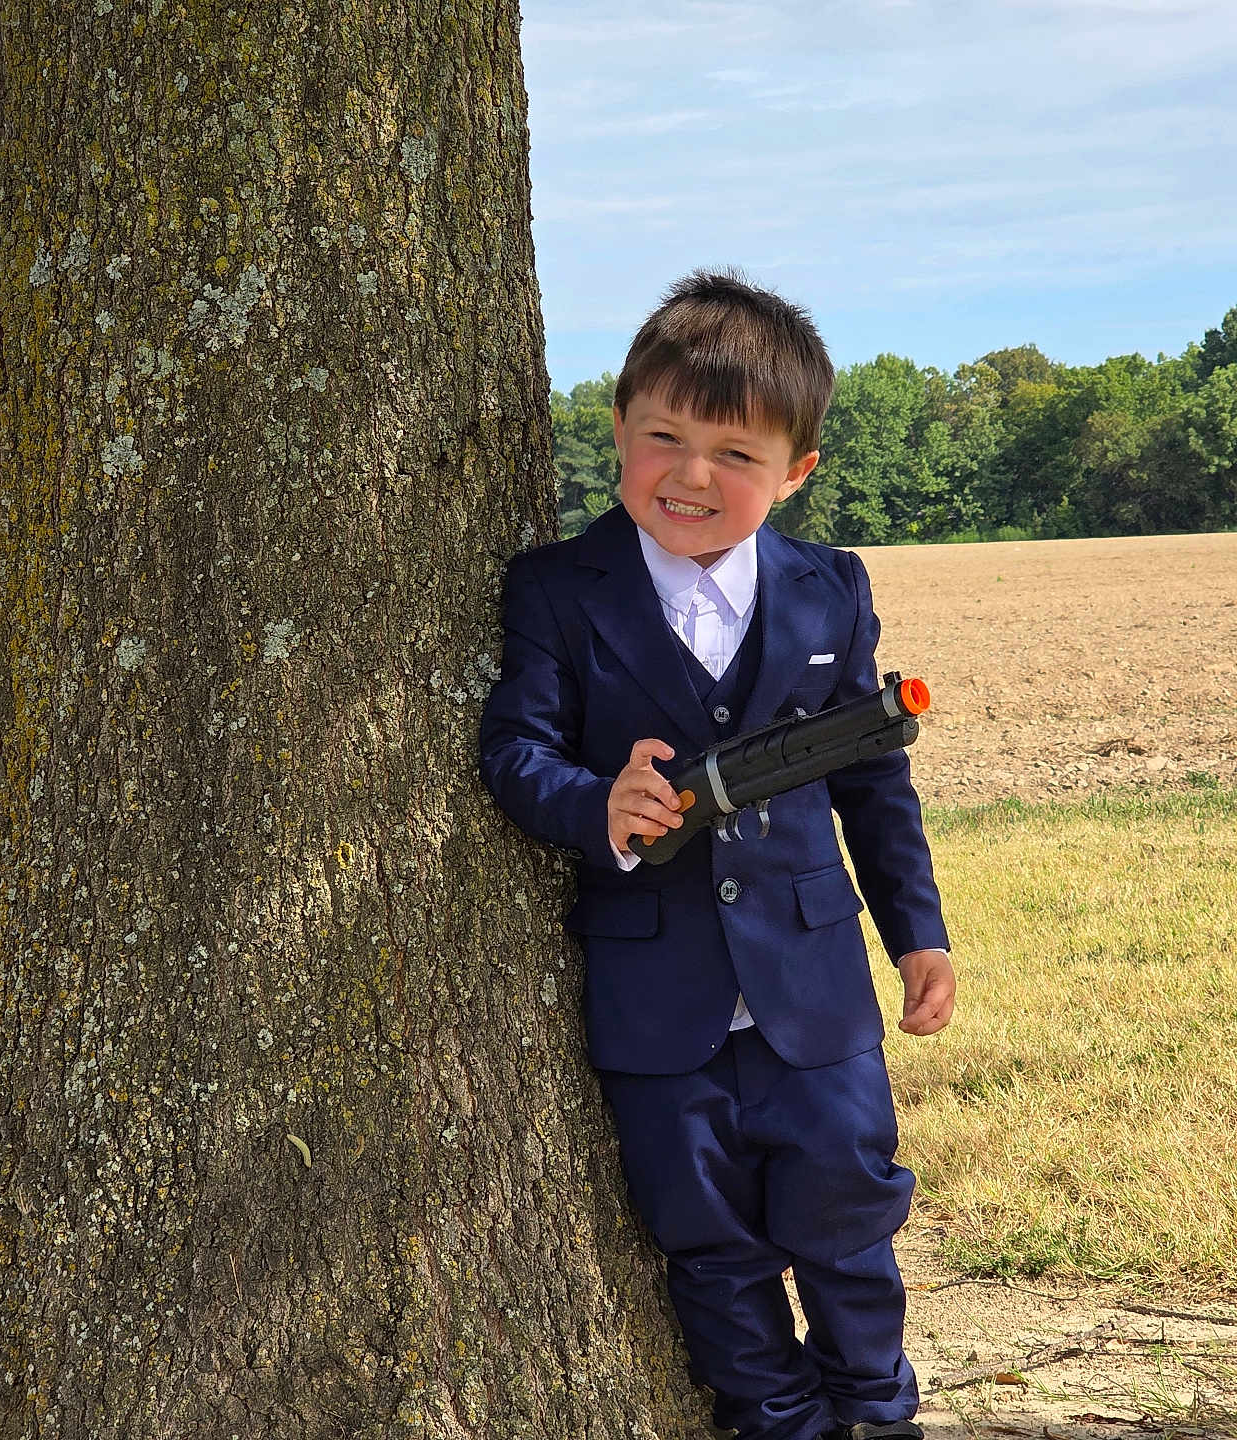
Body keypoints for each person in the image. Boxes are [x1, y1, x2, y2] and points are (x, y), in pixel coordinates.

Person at [478, 270, 956, 1440]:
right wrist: (598, 805)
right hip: (658, 1004)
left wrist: (919, 934)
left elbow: (872, 778)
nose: (692, 476)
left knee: (849, 1216)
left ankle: (878, 1413)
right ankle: (778, 1422)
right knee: (709, 1248)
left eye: (736, 455)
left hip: (817, 993)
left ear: (795, 473)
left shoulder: (828, 589)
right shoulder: (556, 588)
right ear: (620, 433)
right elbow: (513, 749)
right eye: (665, 439)